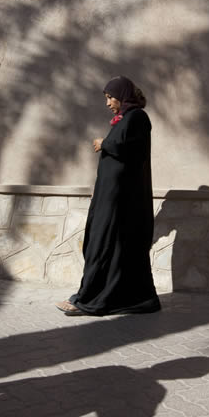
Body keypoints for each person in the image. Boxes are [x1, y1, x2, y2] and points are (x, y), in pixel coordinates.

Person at [55, 76, 161, 316]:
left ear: (123, 96)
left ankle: (90, 299)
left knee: (104, 244)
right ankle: (99, 295)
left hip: (121, 200)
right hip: (110, 196)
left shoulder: (138, 118)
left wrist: (106, 143)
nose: (107, 103)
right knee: (103, 244)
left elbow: (136, 151)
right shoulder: (125, 120)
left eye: (110, 97)